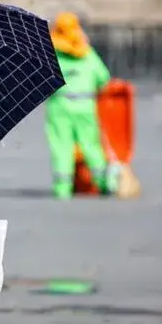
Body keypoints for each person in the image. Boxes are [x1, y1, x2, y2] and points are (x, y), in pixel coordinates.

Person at [45, 12, 112, 199]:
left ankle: (62, 189)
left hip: (59, 108)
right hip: (85, 106)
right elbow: (104, 78)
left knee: (61, 147)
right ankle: (104, 183)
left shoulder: (52, 54)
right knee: (91, 145)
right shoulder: (88, 54)